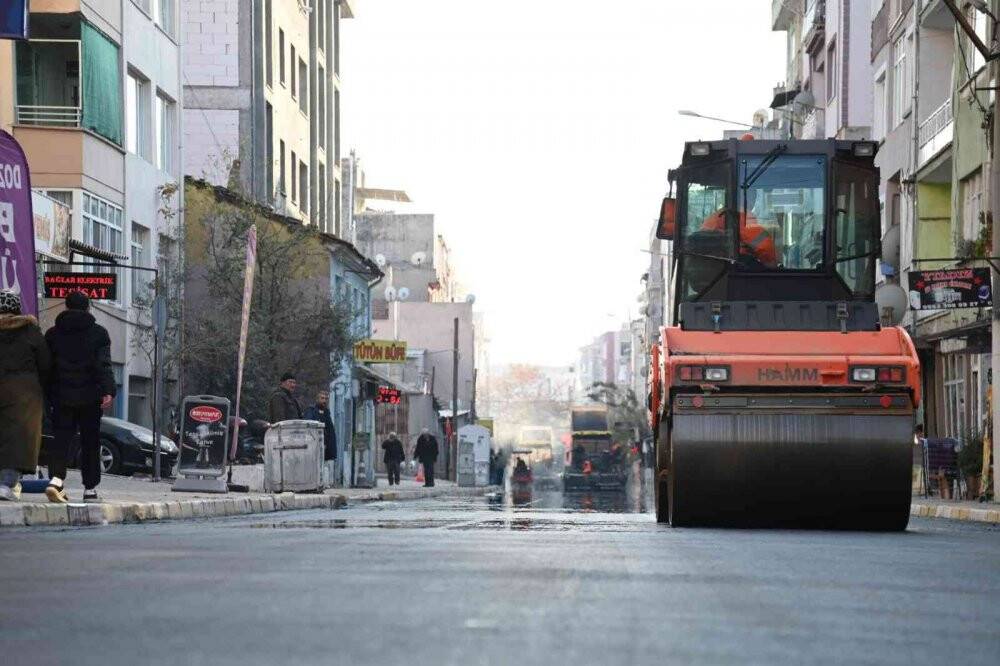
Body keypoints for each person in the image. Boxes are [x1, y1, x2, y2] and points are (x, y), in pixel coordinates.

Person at [44, 291, 115, 503]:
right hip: (90, 397)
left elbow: (47, 367)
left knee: (61, 440)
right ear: (88, 308)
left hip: (61, 396)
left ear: (66, 307)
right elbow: (103, 365)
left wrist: (47, 394)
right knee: (90, 441)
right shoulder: (99, 333)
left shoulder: (52, 334)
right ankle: (90, 489)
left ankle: (56, 481)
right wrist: (108, 390)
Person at [0, 291, 51, 501]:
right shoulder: (30, 331)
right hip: (24, 394)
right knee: (18, 439)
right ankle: (6, 484)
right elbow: (45, 363)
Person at [303, 390, 337, 461]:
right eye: (322, 398)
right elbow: (309, 427)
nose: (324, 400)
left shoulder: (326, 413)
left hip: (325, 447)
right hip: (313, 446)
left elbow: (330, 430)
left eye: (326, 398)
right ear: (317, 399)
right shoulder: (311, 411)